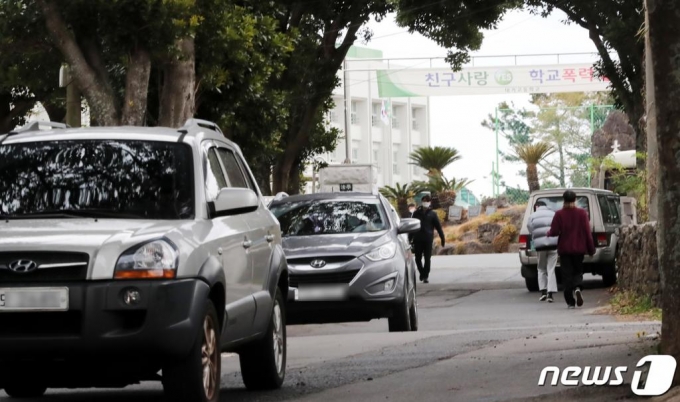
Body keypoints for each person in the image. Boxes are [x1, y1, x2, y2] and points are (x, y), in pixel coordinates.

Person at [547, 190, 595, 309]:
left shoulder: (559, 214)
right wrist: (591, 249)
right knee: (578, 271)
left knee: (567, 275)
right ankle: (578, 287)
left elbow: (554, 231)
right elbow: (587, 232)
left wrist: (548, 233)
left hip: (565, 250)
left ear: (564, 200)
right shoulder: (582, 213)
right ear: (575, 199)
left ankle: (570, 302)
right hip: (579, 249)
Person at [526, 200, 558, 303]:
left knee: (541, 268)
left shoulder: (532, 216)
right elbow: (558, 228)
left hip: (540, 246)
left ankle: (543, 292)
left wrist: (536, 236)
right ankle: (550, 294)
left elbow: (530, 228)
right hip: (553, 245)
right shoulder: (553, 214)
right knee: (551, 269)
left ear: (536, 206)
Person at [411, 195, 445, 283]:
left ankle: (425, 276)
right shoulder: (416, 213)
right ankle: (422, 272)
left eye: (427, 201)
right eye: (424, 201)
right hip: (418, 239)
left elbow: (438, 227)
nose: (425, 202)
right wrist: (409, 239)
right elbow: (412, 226)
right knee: (417, 258)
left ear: (429, 202)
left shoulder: (433, 214)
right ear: (422, 202)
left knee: (427, 258)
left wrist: (442, 238)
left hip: (428, 239)